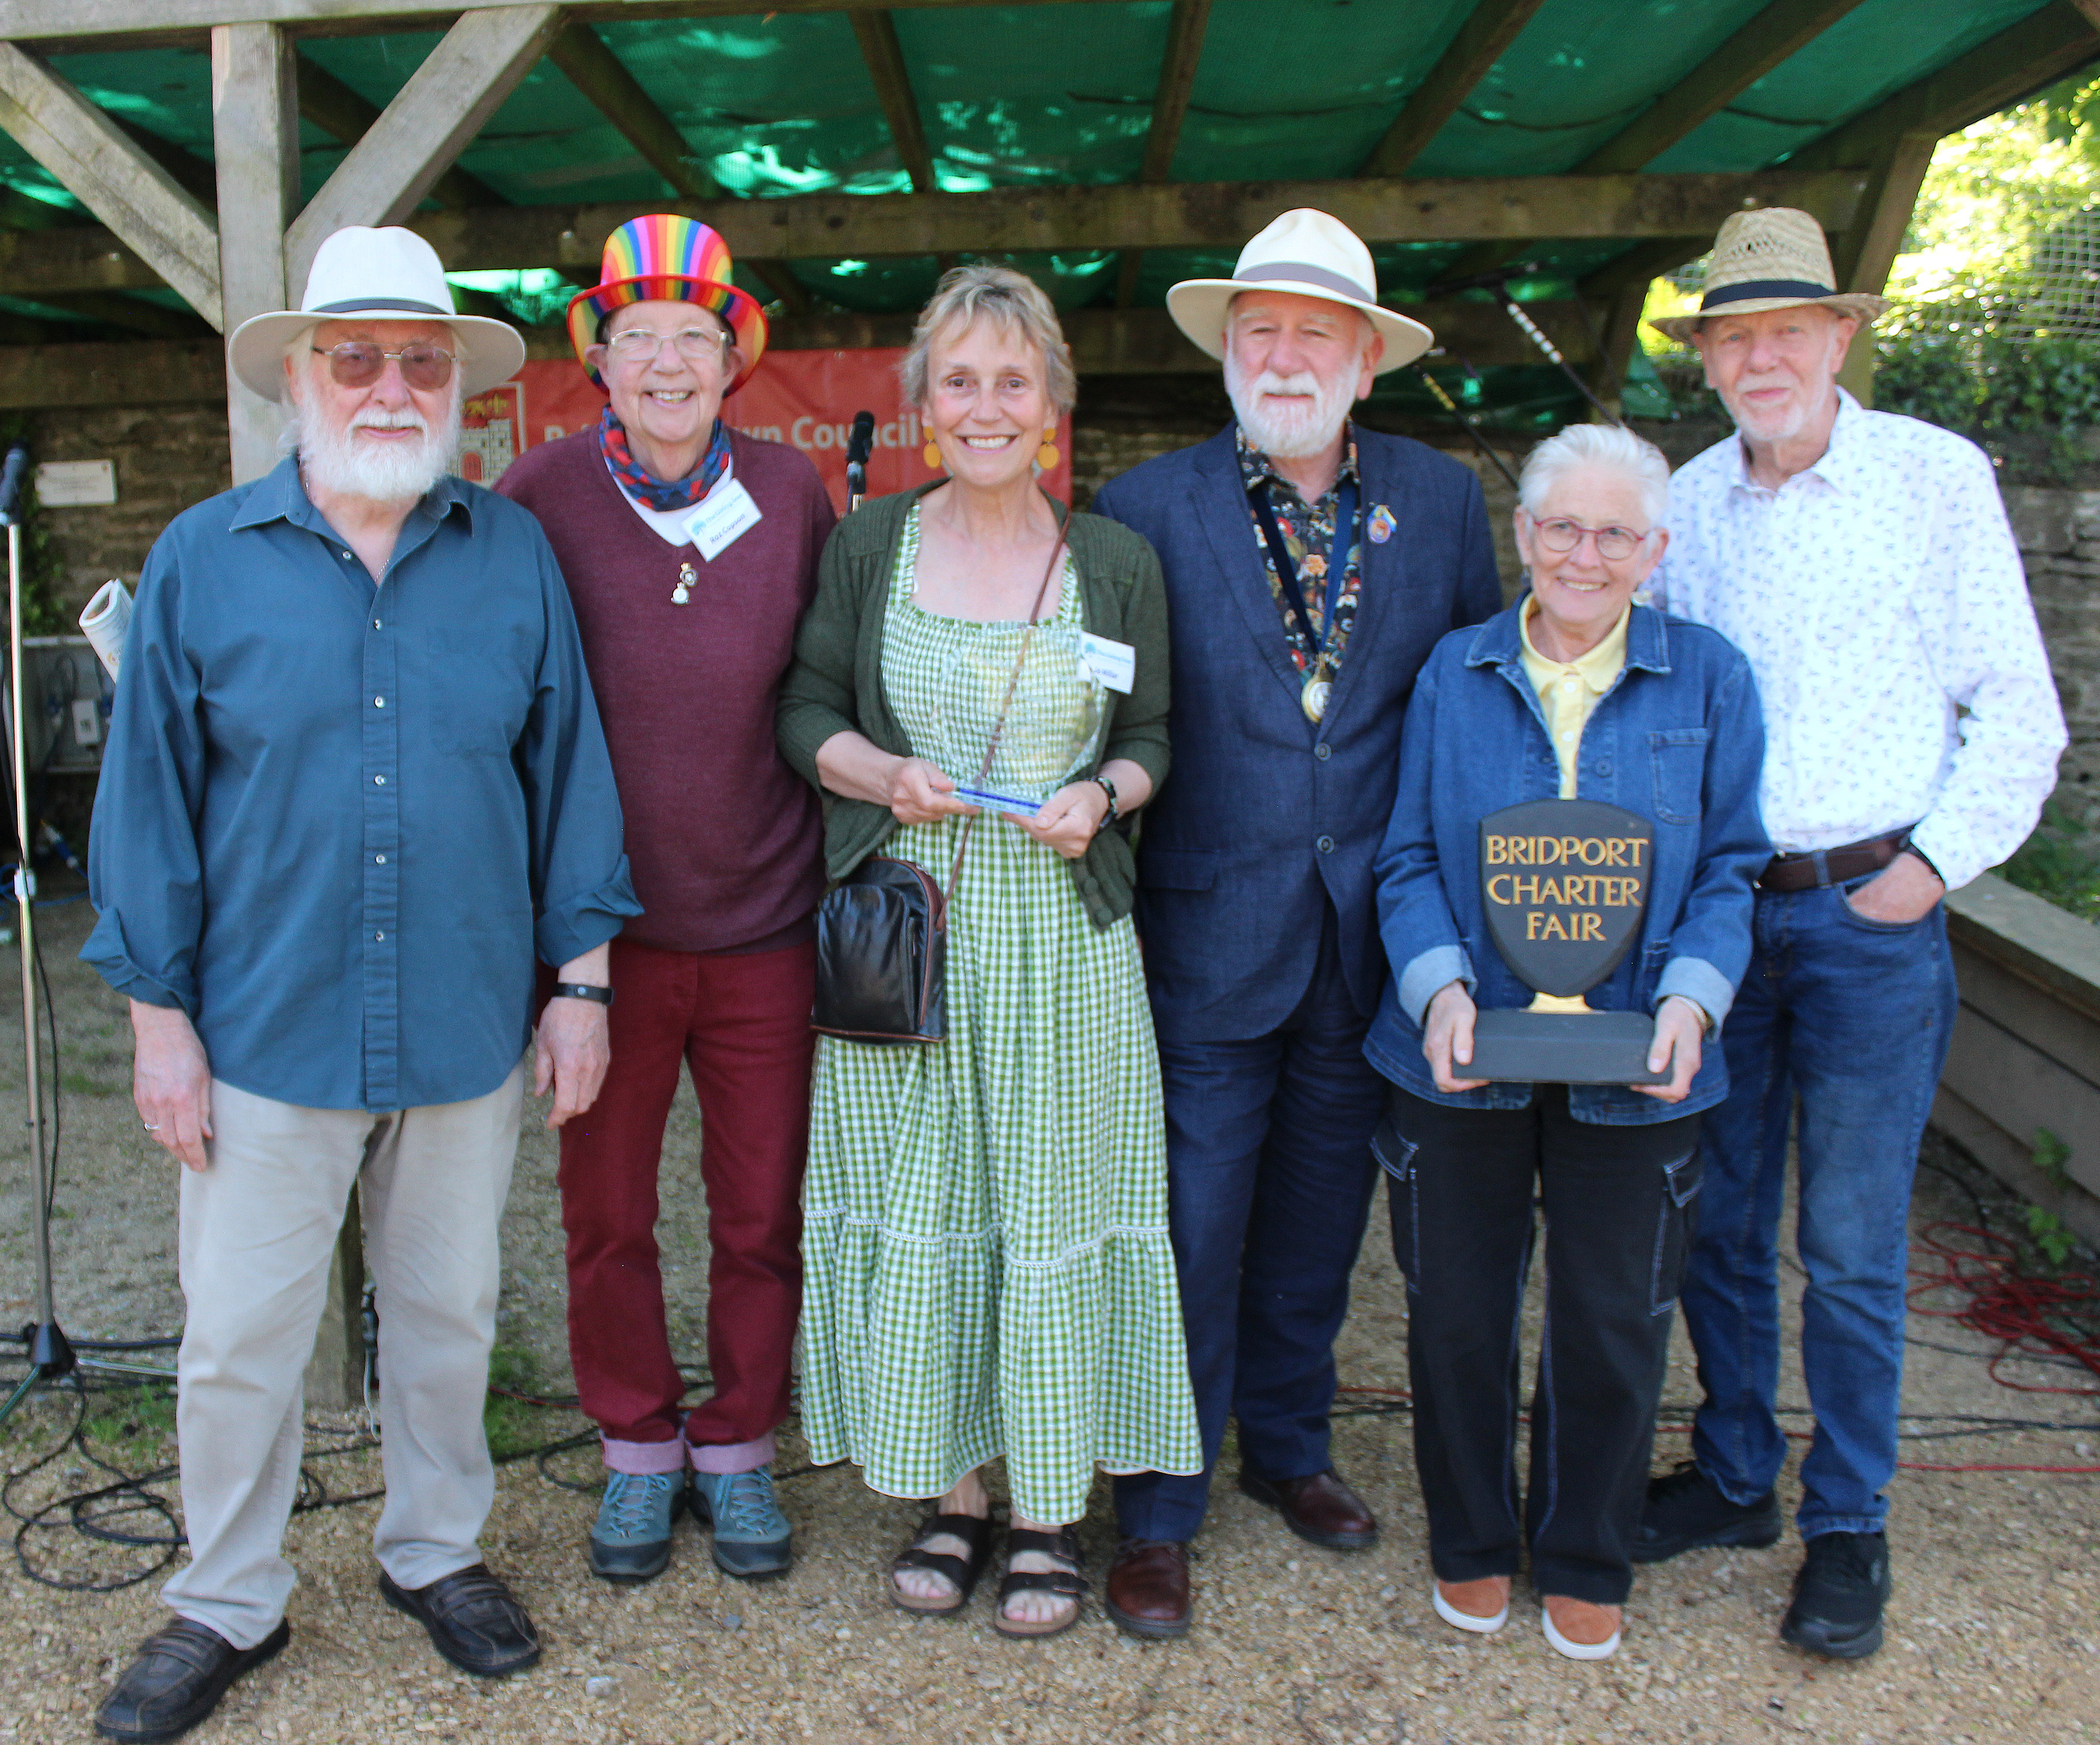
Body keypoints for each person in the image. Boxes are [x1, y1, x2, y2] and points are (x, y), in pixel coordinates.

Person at [82, 227, 638, 1743]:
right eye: (357, 355)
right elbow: (144, 811)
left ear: (453, 383)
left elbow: (568, 771)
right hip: (262, 1024)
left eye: (418, 358)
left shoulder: (512, 553)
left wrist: (579, 981)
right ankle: (225, 1597)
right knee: (239, 1333)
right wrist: (159, 1024)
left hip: (463, 1014)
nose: (389, 383)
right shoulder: (205, 558)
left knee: (450, 1311)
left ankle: (434, 1550)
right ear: (299, 375)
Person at [1640, 208, 2067, 1659]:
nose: (1761, 356)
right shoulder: (1686, 505)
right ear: (1708, 360)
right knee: (1720, 1214)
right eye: (1734, 335)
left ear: (1839, 336)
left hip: (1875, 911)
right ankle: (1741, 1475)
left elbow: (2018, 705)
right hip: (1732, 917)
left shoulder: (1934, 482)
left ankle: (1850, 1525)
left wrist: (1933, 867)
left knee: (1856, 1238)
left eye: (1787, 330)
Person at [1087, 208, 1502, 1637]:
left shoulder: (1444, 508)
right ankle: (1156, 1505)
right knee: (1193, 1224)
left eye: (1313, 332)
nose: (1281, 353)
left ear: (1366, 360)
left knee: (1321, 1225)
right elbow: (1113, 719)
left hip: (1371, 934)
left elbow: (1471, 714)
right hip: (1208, 930)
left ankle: (1291, 1449)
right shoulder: (1145, 509)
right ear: (1227, 349)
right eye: (1257, 328)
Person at [777, 265, 1200, 1639]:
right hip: (913, 936)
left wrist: (1107, 798)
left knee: (1049, 1211)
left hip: (1064, 951)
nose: (987, 405)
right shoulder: (869, 548)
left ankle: (1046, 1513)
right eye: (959, 380)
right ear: (920, 404)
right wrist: (878, 772)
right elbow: (804, 712)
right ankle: (954, 1492)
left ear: (1055, 402)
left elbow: (1152, 742)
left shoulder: (1116, 560)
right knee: (932, 1210)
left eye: (1014, 380)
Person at [1365, 423, 1767, 1661]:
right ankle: (1473, 1544)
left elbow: (1734, 868)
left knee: (1611, 1317)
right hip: (1463, 1051)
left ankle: (1588, 1552)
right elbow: (1409, 859)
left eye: (1612, 533)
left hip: (1640, 1062)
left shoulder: (1708, 678)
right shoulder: (1454, 671)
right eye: (1559, 527)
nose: (1583, 555)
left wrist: (1692, 1000)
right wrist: (1438, 991)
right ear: (1524, 536)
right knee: (1458, 1317)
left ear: (1653, 548)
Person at [495, 215, 834, 1584]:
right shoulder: (538, 496)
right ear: (602, 360)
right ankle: (638, 1447)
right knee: (608, 1210)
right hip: (607, 937)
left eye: (694, 337)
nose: (667, 363)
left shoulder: (796, 497)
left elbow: (830, 687)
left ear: (733, 357)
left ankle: (741, 1445)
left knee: (761, 1210)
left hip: (764, 923)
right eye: (638, 337)